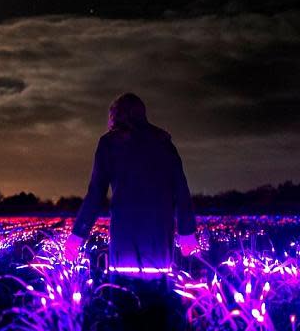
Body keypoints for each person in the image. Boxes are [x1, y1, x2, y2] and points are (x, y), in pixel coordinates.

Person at [64, 93, 199, 271]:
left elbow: (96, 194)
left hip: (124, 234)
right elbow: (181, 189)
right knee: (157, 293)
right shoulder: (163, 143)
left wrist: (77, 235)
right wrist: (186, 232)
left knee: (123, 293)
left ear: (114, 116)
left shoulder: (109, 143)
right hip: (158, 234)